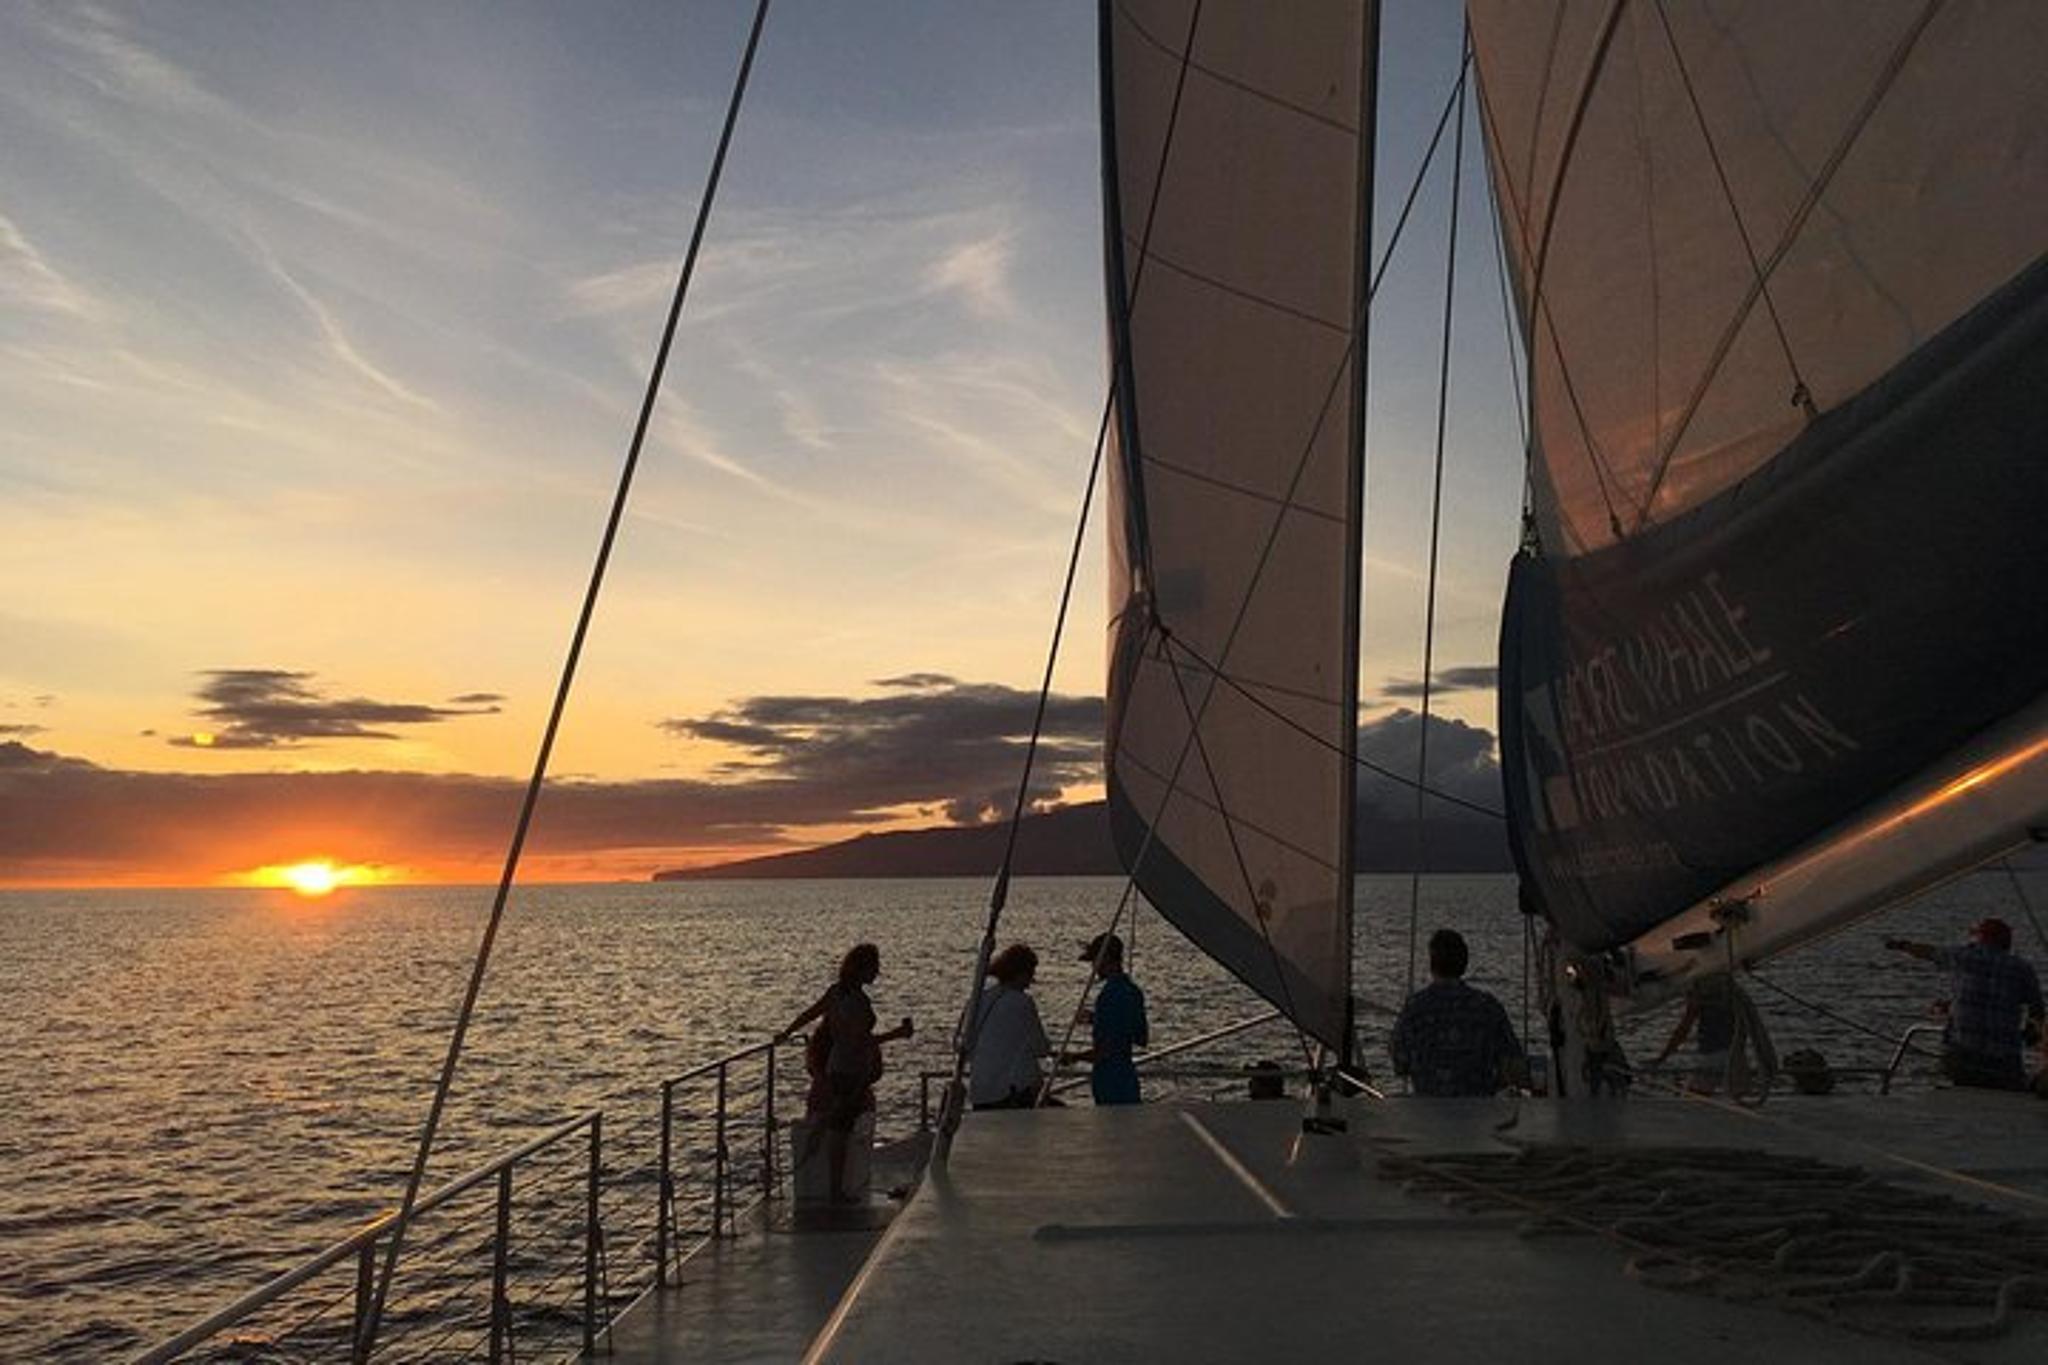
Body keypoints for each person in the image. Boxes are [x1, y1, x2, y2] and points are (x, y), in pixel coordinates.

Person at [781, 943, 913, 1201]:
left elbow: (809, 1014)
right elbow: (860, 1041)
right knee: (841, 1130)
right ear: (861, 969)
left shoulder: (836, 993)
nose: (878, 972)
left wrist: (787, 1032)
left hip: (838, 1066)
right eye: (874, 967)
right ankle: (835, 1191)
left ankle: (833, 1184)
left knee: (838, 1126)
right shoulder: (856, 1001)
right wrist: (898, 1034)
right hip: (851, 1071)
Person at [1885, 918, 2044, 1091]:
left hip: (1965, 1057)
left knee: (1950, 1071)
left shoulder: (1963, 956)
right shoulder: (2022, 968)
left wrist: (1901, 945)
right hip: (2005, 1060)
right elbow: (2037, 1008)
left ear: (1979, 939)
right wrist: (2031, 1032)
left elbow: (1929, 952)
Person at [1389, 928, 1526, 1097]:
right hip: (1479, 1116)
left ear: (1432, 964)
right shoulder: (1488, 1007)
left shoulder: (1415, 1008)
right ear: (1464, 963)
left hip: (1428, 1115)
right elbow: (1514, 1068)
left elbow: (1400, 1063)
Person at [1062, 932, 1148, 1105]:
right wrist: (1098, 1019)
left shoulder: (1109, 995)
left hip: (1110, 1082)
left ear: (1106, 958)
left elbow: (1105, 1051)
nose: (1094, 967)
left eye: (1095, 961)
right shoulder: (1133, 991)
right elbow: (1141, 1038)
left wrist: (1074, 1057)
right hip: (1127, 1078)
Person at [967, 943, 1052, 1109]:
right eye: (1030, 975)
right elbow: (1040, 1047)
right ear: (1020, 974)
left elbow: (962, 1042)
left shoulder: (978, 1000)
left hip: (980, 1091)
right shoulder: (1022, 1002)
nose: (1030, 983)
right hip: (1011, 1092)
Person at [1653, 974, 1750, 1094]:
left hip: (1712, 1056)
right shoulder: (1734, 992)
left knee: (1694, 1097)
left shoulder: (1700, 994)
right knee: (1739, 1099)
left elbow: (1683, 1029)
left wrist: (1663, 1057)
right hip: (1736, 1055)